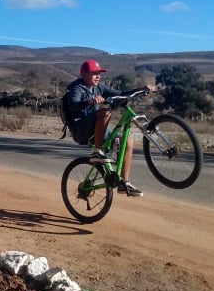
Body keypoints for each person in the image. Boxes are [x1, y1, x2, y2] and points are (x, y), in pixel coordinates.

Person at [65, 59, 154, 197]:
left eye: (99, 73)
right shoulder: (77, 88)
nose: (98, 76)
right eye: (94, 73)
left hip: (95, 129)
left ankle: (124, 183)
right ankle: (97, 152)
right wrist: (90, 101)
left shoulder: (99, 88)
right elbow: (73, 104)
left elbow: (121, 93)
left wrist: (141, 89)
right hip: (79, 129)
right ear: (84, 74)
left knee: (128, 141)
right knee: (105, 112)